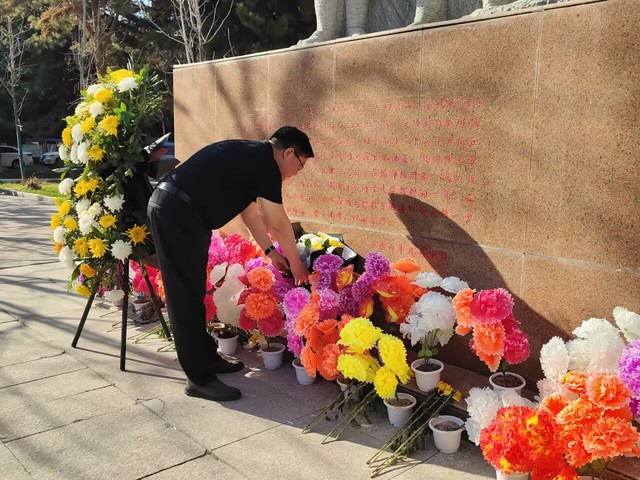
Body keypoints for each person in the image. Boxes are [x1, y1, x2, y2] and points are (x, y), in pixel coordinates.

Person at [147, 126, 313, 402]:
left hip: (183, 213)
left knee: (193, 293)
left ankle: (207, 359)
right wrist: (296, 265)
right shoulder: (266, 165)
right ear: (288, 153)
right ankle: (199, 379)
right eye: (300, 165)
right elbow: (277, 222)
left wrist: (270, 251)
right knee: (184, 297)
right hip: (176, 212)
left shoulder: (254, 158)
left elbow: (250, 215)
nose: (296, 173)